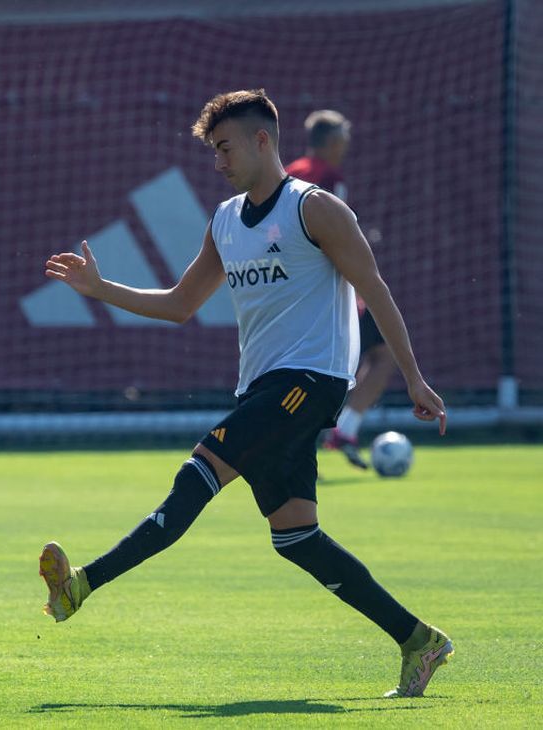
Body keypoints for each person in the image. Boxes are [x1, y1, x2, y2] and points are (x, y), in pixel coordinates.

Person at [38, 89, 452, 698]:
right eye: (212, 151)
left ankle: (81, 586)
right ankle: (420, 640)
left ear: (263, 141)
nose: (218, 162)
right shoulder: (226, 220)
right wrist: (103, 291)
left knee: (196, 476)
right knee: (296, 537)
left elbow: (376, 289)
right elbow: (180, 305)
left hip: (310, 382)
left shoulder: (316, 210)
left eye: (225, 147)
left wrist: (413, 376)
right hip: (265, 388)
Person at [285, 110, 398, 469]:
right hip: (327, 288)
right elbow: (331, 236)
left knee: (303, 369)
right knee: (383, 356)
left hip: (288, 288)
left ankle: (302, 440)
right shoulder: (328, 177)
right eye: (344, 142)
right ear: (333, 143)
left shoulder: (289, 172)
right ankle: (341, 431)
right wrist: (352, 284)